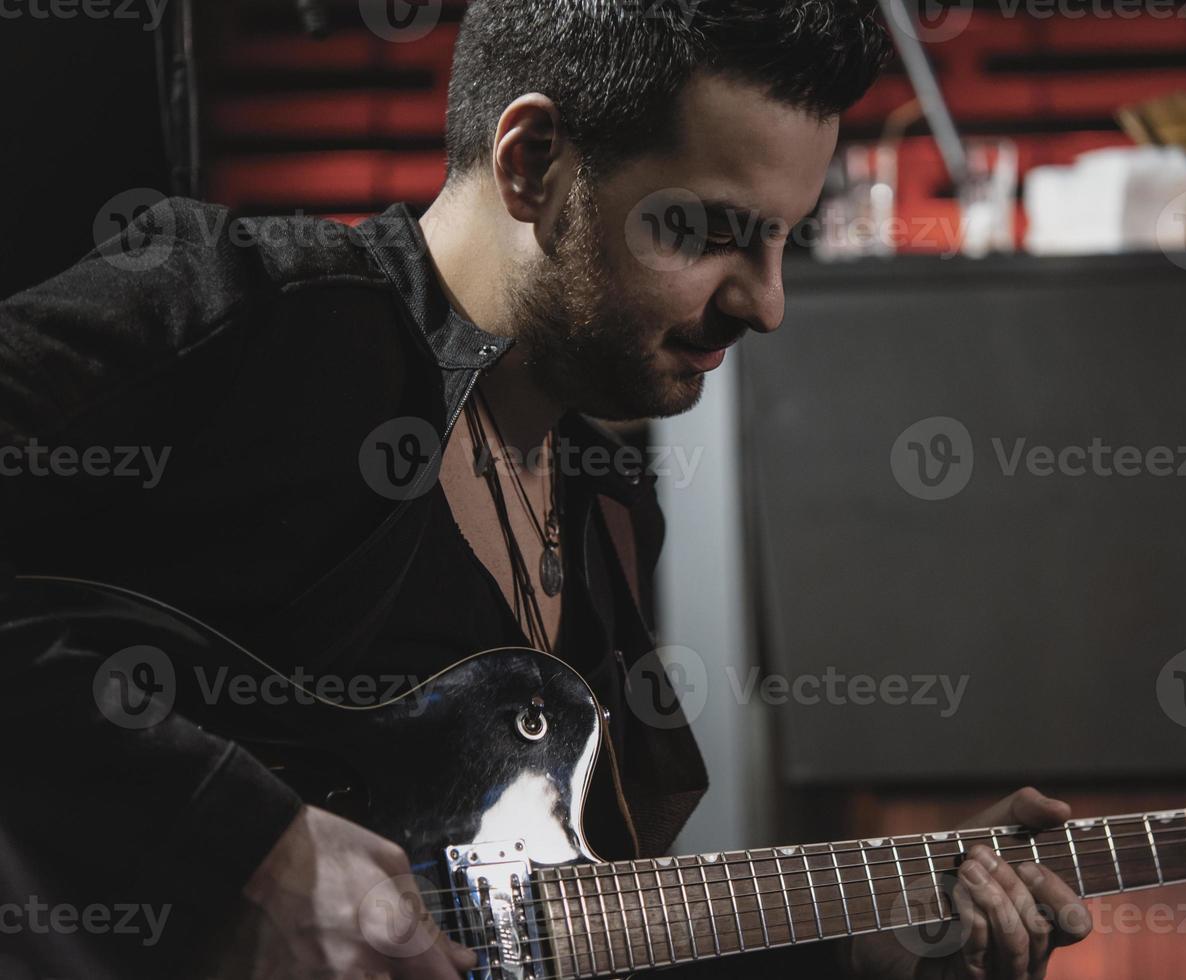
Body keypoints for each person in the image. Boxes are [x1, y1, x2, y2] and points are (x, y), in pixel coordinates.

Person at [0, 2, 1092, 978]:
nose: (764, 306)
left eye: (778, 241)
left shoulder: (611, 506)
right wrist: (246, 848)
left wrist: (869, 937)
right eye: (709, 230)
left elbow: (551, 930)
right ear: (530, 163)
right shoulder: (259, 319)